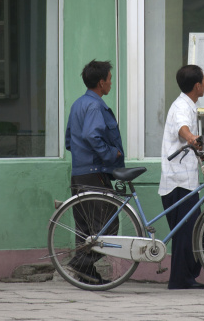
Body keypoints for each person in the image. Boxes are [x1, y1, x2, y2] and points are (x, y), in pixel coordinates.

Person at [65, 59, 125, 284]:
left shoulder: (78, 104)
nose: (111, 83)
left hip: (80, 172)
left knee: (85, 228)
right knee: (108, 224)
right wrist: (112, 154)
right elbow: (93, 136)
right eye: (109, 79)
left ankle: (87, 275)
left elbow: (70, 142)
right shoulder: (95, 105)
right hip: (94, 173)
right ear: (101, 83)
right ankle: (80, 263)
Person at [158, 65, 204, 290]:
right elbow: (183, 128)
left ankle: (185, 277)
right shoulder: (181, 107)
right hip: (179, 181)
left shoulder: (188, 105)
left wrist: (202, 150)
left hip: (184, 179)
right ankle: (180, 279)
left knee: (190, 231)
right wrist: (191, 138)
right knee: (185, 233)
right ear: (197, 85)